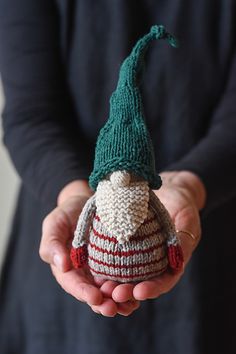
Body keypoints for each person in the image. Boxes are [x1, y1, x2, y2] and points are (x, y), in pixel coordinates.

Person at [0, 1, 235, 353]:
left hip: (211, 264)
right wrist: (74, 205)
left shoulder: (150, 200)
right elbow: (31, 114)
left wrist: (187, 189)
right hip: (56, 308)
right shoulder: (98, 201)